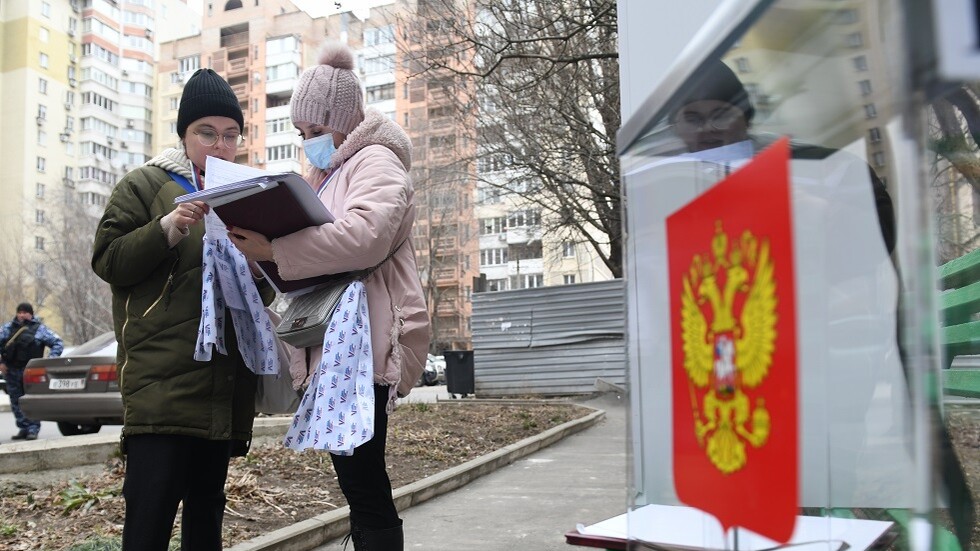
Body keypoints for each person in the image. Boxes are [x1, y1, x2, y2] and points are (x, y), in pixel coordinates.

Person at [227, 41, 429, 550]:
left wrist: (277, 246)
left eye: (316, 130)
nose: (308, 141)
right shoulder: (329, 173)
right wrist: (261, 252)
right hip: (341, 345)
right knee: (357, 476)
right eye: (301, 133)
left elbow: (366, 237)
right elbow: (316, 256)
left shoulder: (376, 161)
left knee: (363, 479)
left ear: (343, 119)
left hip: (366, 343)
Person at [91, 68, 276, 551]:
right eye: (207, 133)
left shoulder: (245, 195)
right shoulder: (146, 185)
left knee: (205, 524)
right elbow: (108, 259)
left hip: (222, 387)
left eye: (231, 135)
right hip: (161, 390)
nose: (220, 145)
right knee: (148, 525)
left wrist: (262, 267)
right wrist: (169, 226)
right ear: (184, 134)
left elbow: (261, 295)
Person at [0, 302, 63, 440]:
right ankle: (23, 427)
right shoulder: (7, 329)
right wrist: (1, 363)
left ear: (31, 314)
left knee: (31, 400)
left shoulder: (39, 329)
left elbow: (57, 343)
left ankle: (33, 429)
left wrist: (48, 362)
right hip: (12, 371)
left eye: (25, 312)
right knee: (16, 401)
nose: (22, 315)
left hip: (31, 371)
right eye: (20, 312)